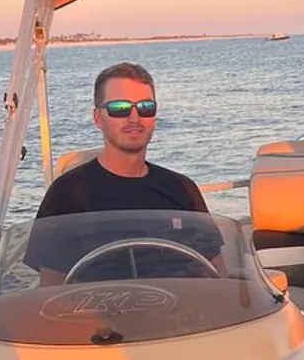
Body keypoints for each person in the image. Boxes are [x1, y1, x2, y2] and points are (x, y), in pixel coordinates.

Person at [23, 62, 222, 284]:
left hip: (181, 311)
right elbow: (52, 292)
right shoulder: (67, 194)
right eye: (120, 108)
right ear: (98, 118)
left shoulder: (182, 189)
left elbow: (219, 274)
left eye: (146, 107)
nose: (134, 118)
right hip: (98, 314)